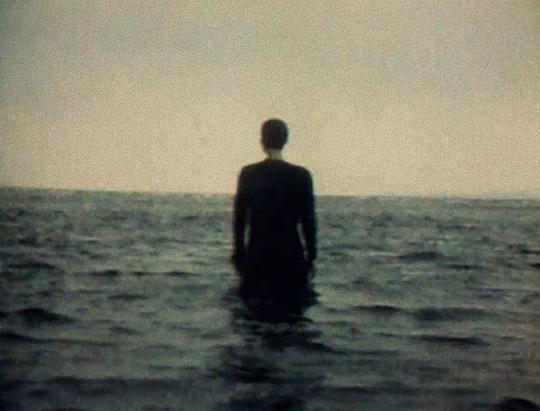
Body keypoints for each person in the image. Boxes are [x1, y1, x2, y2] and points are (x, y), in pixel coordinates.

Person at [232, 119, 317, 297]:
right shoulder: (301, 175)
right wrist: (311, 257)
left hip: (258, 255)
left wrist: (239, 254)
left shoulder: (248, 174)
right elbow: (308, 221)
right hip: (291, 256)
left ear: (262, 141)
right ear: (285, 140)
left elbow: (239, 220)